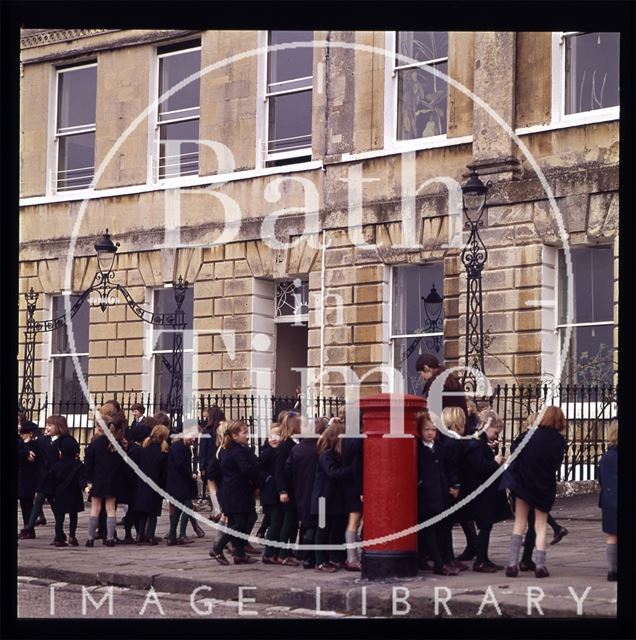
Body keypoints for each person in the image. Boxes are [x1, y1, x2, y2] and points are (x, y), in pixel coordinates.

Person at [501, 406, 567, 579]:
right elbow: (556, 465)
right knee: (540, 526)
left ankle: (512, 564)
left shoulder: (529, 436)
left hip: (523, 484)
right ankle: (540, 565)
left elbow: (515, 455)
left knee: (519, 523)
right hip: (544, 485)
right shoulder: (560, 441)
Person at [209, 420, 265, 565]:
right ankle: (217, 547)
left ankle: (239, 554)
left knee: (247, 518)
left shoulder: (231, 448)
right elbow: (246, 469)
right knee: (239, 524)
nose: (248, 436)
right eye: (244, 433)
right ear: (234, 435)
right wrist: (259, 480)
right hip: (237, 491)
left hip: (234, 490)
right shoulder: (236, 450)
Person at [462, 410, 510, 572]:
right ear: (487, 426)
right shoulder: (476, 443)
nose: (496, 436)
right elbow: (480, 467)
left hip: (483, 491)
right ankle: (480, 561)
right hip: (481, 492)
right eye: (495, 432)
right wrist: (496, 462)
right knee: (485, 525)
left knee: (486, 525)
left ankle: (484, 558)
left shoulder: (479, 442)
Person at [416, 411, 459, 576]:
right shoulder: (417, 448)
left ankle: (440, 560)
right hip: (425, 495)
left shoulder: (440, 448)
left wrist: (453, 485)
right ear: (420, 430)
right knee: (429, 530)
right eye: (427, 429)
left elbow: (447, 469)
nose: (430, 433)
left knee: (441, 528)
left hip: (440, 493)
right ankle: (438, 564)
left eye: (433, 430)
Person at [19, 415, 76, 539]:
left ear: (59, 426)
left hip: (59, 479)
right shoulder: (44, 440)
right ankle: (29, 526)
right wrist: (28, 447)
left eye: (50, 425)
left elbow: (70, 456)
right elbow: (33, 446)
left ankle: (59, 534)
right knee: (39, 500)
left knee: (56, 508)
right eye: (46, 424)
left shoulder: (65, 441)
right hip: (46, 478)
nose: (47, 427)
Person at [285, 417, 328, 569]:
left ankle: (306, 556)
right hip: (320, 492)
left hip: (301, 491)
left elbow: (288, 471)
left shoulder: (297, 449)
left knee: (306, 524)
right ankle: (316, 558)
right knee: (319, 526)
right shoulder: (322, 449)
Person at [310, 422, 354, 572]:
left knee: (335, 530)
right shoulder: (326, 455)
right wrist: (352, 470)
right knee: (322, 530)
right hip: (323, 501)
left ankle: (336, 558)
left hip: (334, 501)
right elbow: (333, 473)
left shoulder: (337, 456)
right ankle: (320, 562)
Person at [84, 412, 129, 547]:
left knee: (95, 509)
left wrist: (88, 481)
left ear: (98, 427)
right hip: (112, 481)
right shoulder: (116, 445)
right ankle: (110, 538)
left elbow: (88, 465)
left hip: (97, 480)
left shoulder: (94, 444)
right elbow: (122, 465)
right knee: (111, 509)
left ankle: (90, 538)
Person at [269, 411, 302, 566]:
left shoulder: (294, 443)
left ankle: (286, 551)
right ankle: (282, 554)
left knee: (292, 522)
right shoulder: (285, 445)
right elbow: (279, 471)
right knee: (288, 522)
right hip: (287, 490)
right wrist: (282, 490)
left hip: (294, 489)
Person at [130, 424, 170, 545]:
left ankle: (140, 534)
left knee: (143, 510)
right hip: (155, 483)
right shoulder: (163, 452)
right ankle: (150, 535)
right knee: (153, 511)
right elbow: (164, 470)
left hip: (142, 482)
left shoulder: (143, 448)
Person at [42, 437, 85, 547]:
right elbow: (81, 480)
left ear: (61, 451)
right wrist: (85, 488)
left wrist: (50, 495)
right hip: (74, 494)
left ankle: (59, 537)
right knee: (73, 515)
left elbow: (51, 481)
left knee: (59, 517)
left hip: (60, 494)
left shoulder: (56, 465)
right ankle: (72, 535)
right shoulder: (78, 465)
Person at [165, 425, 200, 545]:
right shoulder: (179, 447)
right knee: (188, 506)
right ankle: (181, 535)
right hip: (179, 482)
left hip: (177, 482)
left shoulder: (181, 446)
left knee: (179, 509)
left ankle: (173, 536)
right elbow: (181, 465)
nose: (194, 440)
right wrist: (191, 475)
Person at [416, 353, 468, 418]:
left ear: (426, 368)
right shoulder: (451, 380)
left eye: (420, 373)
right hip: (459, 424)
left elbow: (433, 413)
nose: (422, 378)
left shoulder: (434, 385)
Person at [598, 419, 618, 582]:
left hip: (610, 500)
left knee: (612, 535)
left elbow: (601, 479)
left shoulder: (606, 456)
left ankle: (612, 570)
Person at [17, 421, 46, 534]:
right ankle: (27, 527)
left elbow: (34, 457)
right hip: (22, 476)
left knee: (27, 503)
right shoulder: (21, 443)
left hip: (29, 477)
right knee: (25, 503)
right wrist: (26, 452)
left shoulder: (35, 444)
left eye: (24, 433)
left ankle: (29, 528)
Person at [198, 406, 226, 522]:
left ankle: (217, 510)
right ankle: (219, 510)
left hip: (210, 463)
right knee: (222, 487)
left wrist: (202, 467)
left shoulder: (207, 431)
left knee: (212, 487)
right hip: (223, 461)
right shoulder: (224, 429)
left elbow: (203, 451)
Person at [258, 424, 282, 562]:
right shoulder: (266, 452)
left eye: (277, 435)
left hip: (276, 491)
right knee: (275, 522)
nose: (274, 439)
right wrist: (268, 479)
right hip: (270, 492)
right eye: (271, 436)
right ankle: (268, 552)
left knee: (277, 522)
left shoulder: (280, 451)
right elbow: (259, 470)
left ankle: (274, 550)